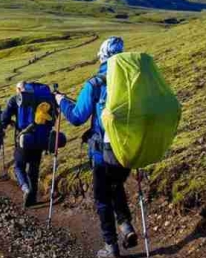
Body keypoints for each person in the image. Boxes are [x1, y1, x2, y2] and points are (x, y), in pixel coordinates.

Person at [54, 37, 138, 258]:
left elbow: (77, 117)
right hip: (128, 148)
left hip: (103, 152)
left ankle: (111, 247)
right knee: (116, 186)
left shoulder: (95, 83)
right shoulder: (133, 79)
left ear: (102, 57)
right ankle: (126, 227)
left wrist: (61, 100)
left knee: (102, 197)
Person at [1, 81, 43, 207]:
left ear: (19, 89)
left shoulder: (15, 99)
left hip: (23, 139)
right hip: (39, 138)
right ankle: (33, 197)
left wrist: (9, 123)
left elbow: (4, 118)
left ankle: (25, 188)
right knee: (34, 168)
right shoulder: (39, 98)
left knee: (19, 166)